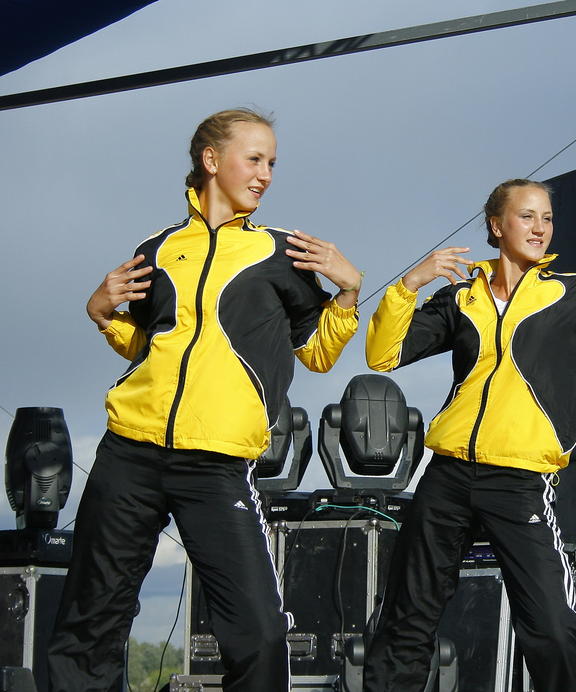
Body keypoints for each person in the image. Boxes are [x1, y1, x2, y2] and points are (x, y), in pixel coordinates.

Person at [48, 108, 362, 692]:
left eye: (272, 163)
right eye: (255, 159)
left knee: (259, 634)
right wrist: (102, 314)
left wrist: (347, 292)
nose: (266, 174)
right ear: (211, 160)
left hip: (215, 463)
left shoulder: (282, 254)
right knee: (91, 620)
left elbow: (317, 353)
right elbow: (149, 346)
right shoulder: (158, 248)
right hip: (129, 452)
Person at [362, 178, 576, 692]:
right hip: (447, 477)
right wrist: (408, 285)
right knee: (407, 617)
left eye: (547, 218)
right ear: (496, 226)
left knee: (552, 628)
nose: (540, 228)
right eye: (527, 216)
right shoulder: (461, 297)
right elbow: (383, 353)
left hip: (519, 481)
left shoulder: (570, 294)